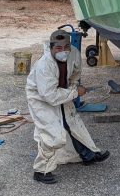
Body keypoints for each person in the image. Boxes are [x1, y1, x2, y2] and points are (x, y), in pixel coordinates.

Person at [25, 30, 110, 183]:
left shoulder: (74, 53)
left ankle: (88, 154)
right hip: (41, 98)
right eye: (58, 48)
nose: (63, 51)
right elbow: (49, 96)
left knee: (72, 123)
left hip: (61, 92)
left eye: (66, 47)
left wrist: (73, 86)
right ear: (51, 48)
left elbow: (75, 72)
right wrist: (74, 92)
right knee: (51, 133)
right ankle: (41, 171)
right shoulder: (44, 66)